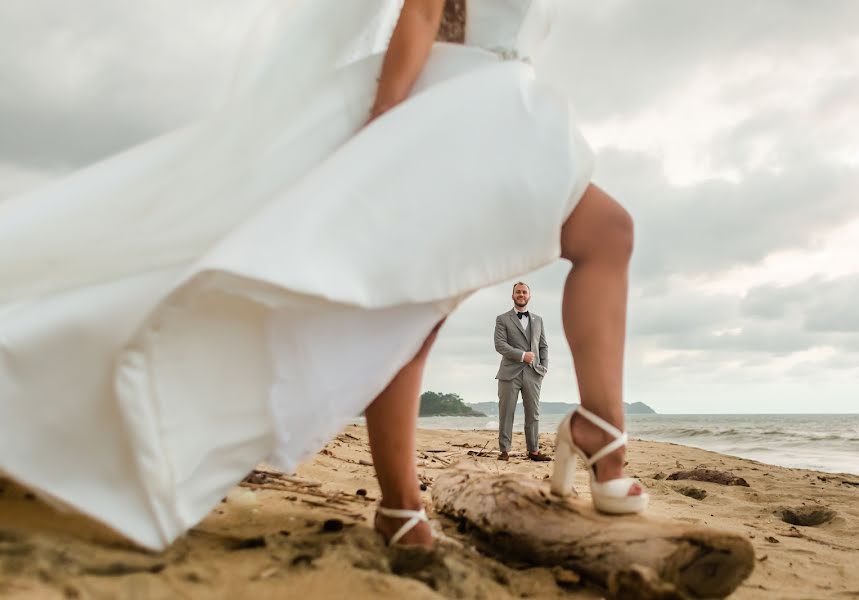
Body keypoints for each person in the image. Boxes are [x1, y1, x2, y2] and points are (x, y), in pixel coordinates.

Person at [0, 0, 647, 552]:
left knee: (599, 236)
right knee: (415, 300)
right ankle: (401, 503)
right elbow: (422, 7)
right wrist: (385, 123)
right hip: (447, 104)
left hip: (501, 107)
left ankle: (597, 432)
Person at [493, 282, 551, 462]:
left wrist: (544, 367)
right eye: (518, 292)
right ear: (512, 296)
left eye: (524, 292)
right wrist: (522, 355)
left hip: (533, 373)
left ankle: (533, 451)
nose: (521, 294)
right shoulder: (502, 319)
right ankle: (504, 451)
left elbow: (543, 345)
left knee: (533, 413)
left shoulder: (538, 319)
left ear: (529, 296)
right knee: (506, 412)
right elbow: (500, 345)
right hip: (509, 372)